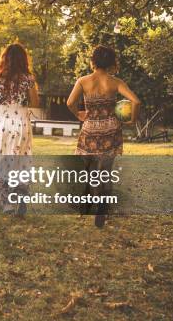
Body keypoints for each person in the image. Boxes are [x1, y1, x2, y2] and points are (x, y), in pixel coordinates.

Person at [66, 44, 141, 228]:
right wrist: (131, 120)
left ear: (93, 61)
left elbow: (69, 102)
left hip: (90, 130)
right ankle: (102, 210)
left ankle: (84, 205)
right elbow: (136, 101)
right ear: (110, 62)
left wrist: (79, 114)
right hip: (111, 130)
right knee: (105, 172)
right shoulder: (115, 82)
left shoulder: (83, 81)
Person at [0, 43, 38, 216]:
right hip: (21, 124)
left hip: (0, 125)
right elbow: (35, 103)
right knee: (21, 162)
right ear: (23, 59)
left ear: (5, 58)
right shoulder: (29, 79)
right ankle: (21, 199)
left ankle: (7, 205)